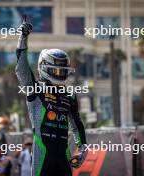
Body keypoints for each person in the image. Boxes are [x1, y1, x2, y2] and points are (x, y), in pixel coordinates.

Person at [15, 16, 88, 176]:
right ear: (44, 68)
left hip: (64, 156)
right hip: (42, 156)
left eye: (62, 70)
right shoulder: (34, 88)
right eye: (56, 70)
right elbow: (21, 69)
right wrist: (23, 37)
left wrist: (83, 148)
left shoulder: (69, 94)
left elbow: (77, 124)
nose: (60, 74)